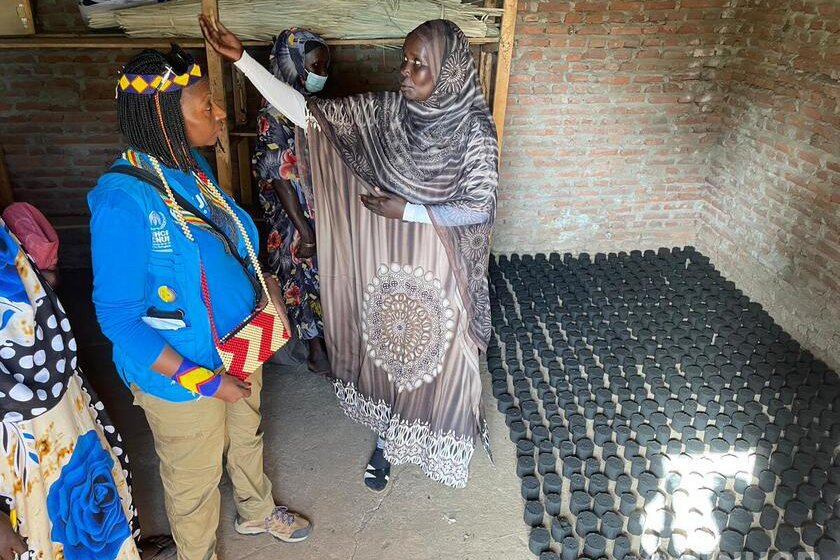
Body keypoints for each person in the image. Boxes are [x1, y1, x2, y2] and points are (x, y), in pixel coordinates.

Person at [200, 17, 498, 490]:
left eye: (419, 64)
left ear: (450, 70)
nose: (405, 71)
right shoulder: (390, 115)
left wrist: (411, 211)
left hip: (445, 270)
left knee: (445, 361)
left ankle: (437, 438)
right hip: (396, 265)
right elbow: (306, 113)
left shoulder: (473, 132)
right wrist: (243, 62)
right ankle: (390, 439)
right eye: (405, 59)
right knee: (397, 351)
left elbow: (478, 206)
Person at [87, 45, 312, 560]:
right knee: (194, 480)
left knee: (247, 434)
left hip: (239, 346)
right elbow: (117, 319)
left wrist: (265, 293)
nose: (218, 114)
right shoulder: (124, 200)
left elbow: (225, 244)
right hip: (184, 375)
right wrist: (205, 381)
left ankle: (256, 512)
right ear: (166, 116)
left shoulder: (187, 169)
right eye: (205, 106)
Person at [0, 213, 176, 560]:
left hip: (59, 391)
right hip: (15, 431)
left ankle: (125, 548)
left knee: (95, 490)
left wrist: (38, 274)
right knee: (47, 527)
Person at [254, 28, 331, 375]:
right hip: (292, 217)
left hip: (312, 210)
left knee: (320, 278)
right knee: (299, 276)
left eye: (325, 67)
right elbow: (281, 180)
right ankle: (315, 350)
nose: (322, 74)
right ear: (294, 64)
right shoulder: (272, 115)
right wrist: (306, 231)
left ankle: (326, 343)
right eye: (316, 66)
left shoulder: (308, 105)